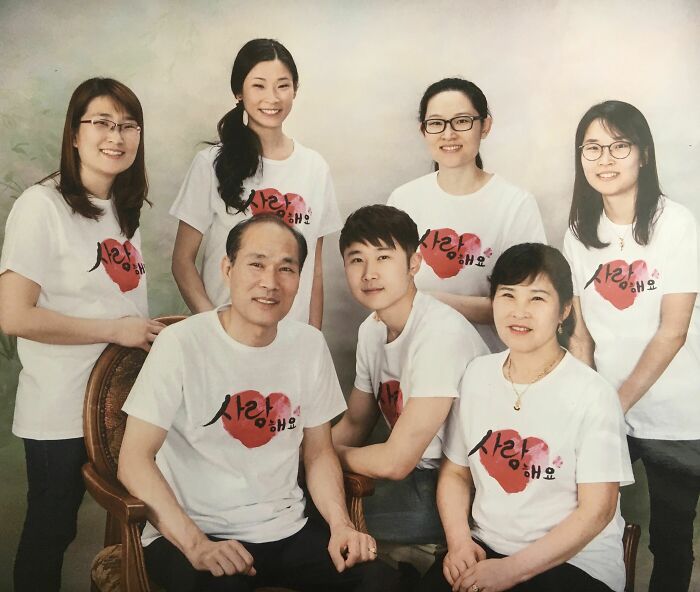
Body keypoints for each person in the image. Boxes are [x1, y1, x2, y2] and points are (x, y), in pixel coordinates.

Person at [119, 215, 399, 592]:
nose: (270, 282)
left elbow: (317, 453)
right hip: (198, 532)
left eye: (286, 268)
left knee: (379, 581)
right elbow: (133, 460)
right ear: (227, 268)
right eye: (256, 264)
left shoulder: (307, 345)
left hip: (288, 529)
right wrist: (197, 545)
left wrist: (340, 525)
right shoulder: (181, 344)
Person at [0, 77, 163, 591]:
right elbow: (14, 316)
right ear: (74, 134)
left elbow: (122, 305)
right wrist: (116, 330)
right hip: (60, 409)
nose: (116, 136)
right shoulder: (40, 206)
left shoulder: (124, 211)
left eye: (128, 125)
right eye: (102, 123)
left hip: (119, 405)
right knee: (52, 530)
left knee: (133, 524)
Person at [420, 243, 634, 592]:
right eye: (508, 296)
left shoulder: (592, 394)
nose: (519, 312)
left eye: (537, 299)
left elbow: (597, 510)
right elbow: (457, 473)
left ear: (564, 310)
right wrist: (459, 543)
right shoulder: (477, 374)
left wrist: (510, 571)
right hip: (488, 550)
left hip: (575, 563)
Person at [563, 100, 700, 592]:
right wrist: (596, 406)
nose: (605, 158)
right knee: (587, 524)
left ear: (643, 154)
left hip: (675, 417)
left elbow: (674, 331)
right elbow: (578, 331)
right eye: (593, 148)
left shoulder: (675, 223)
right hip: (608, 407)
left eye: (619, 145)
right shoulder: (580, 231)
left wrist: (614, 404)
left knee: (670, 538)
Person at [332, 204, 488, 546]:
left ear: (413, 264)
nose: (369, 273)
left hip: (460, 487)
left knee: (312, 517)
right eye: (356, 259)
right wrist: (302, 461)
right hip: (414, 478)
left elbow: (395, 461)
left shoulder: (439, 333)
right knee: (296, 498)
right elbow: (356, 423)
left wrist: (319, 457)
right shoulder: (371, 330)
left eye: (383, 257)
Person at [170, 38, 341, 329]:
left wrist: (311, 338)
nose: (272, 98)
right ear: (239, 92)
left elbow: (314, 271)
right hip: (224, 334)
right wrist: (213, 326)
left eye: (283, 86)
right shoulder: (211, 163)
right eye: (259, 85)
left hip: (287, 340)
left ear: (295, 90)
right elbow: (182, 261)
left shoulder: (315, 168)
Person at [387, 77, 546, 351]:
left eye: (461, 121)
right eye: (436, 123)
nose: (448, 134)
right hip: (416, 358)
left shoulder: (515, 204)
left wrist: (428, 300)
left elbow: (524, 303)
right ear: (423, 130)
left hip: (489, 365)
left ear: (485, 126)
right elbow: (389, 294)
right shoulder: (403, 200)